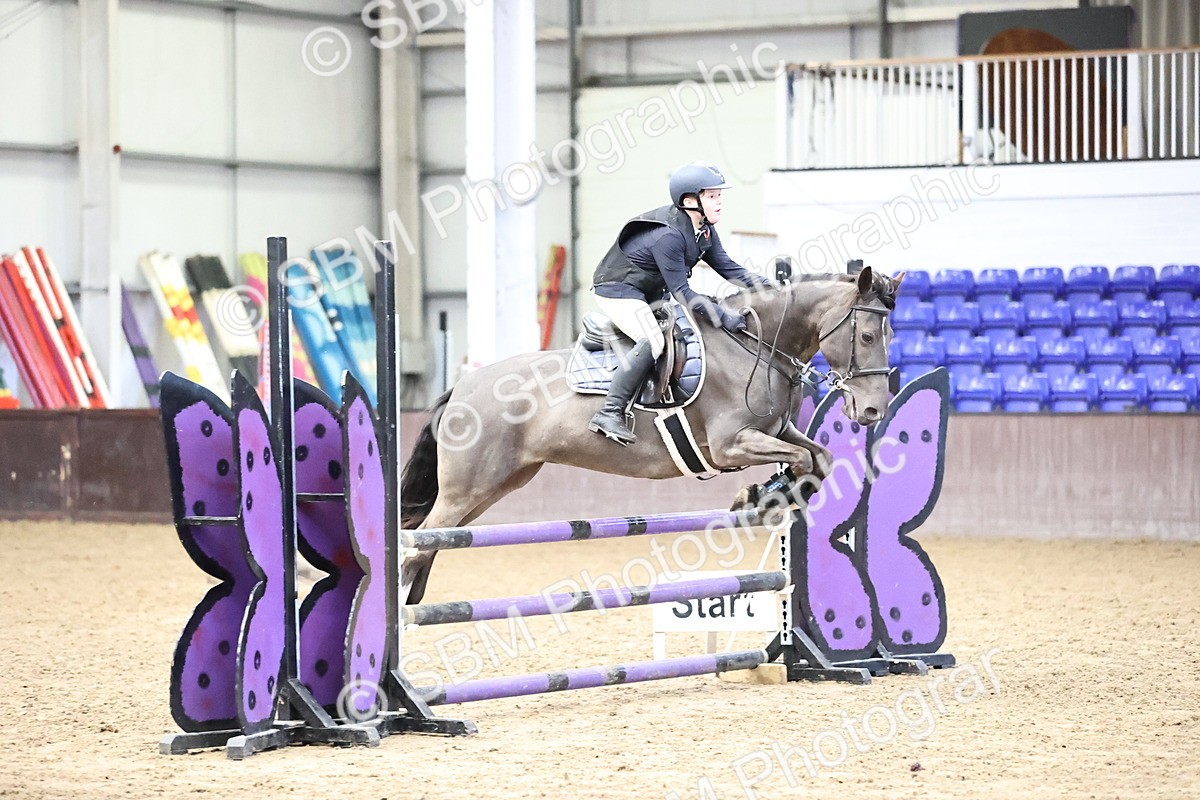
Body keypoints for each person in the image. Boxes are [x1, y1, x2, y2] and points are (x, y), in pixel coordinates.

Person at [588, 160, 774, 445]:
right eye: (712, 196)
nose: (720, 202)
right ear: (690, 201)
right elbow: (683, 294)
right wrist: (725, 317)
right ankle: (609, 412)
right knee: (653, 342)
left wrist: (770, 288)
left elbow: (729, 268)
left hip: (649, 292)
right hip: (618, 290)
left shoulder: (703, 229)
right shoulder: (669, 237)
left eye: (719, 196)